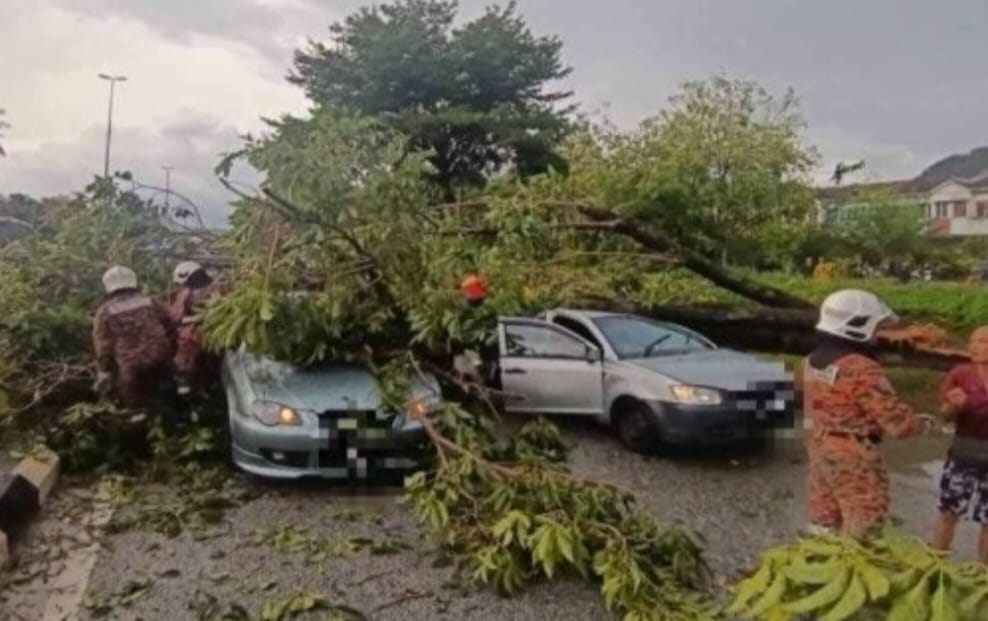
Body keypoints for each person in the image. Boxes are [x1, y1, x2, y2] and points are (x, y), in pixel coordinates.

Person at [803, 289, 936, 537]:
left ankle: (816, 566)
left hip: (820, 445)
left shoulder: (812, 361)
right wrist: (925, 424)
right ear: (857, 325)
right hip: (854, 456)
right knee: (864, 528)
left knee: (823, 521)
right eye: (875, 326)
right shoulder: (860, 368)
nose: (877, 333)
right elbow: (898, 424)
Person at [932, 327, 988, 563]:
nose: (975, 346)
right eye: (972, 341)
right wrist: (954, 406)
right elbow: (944, 415)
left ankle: (982, 576)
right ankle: (934, 565)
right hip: (964, 452)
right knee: (948, 512)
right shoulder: (960, 374)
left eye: (983, 341)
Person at [93, 265, 174, 408]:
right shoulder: (151, 301)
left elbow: (104, 346)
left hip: (132, 366)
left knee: (136, 403)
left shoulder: (104, 312)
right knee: (171, 395)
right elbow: (169, 321)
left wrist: (104, 370)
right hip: (161, 358)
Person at [167, 261, 220, 396]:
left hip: (192, 336)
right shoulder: (216, 289)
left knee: (183, 362)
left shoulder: (185, 293)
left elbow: (175, 317)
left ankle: (185, 388)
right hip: (215, 334)